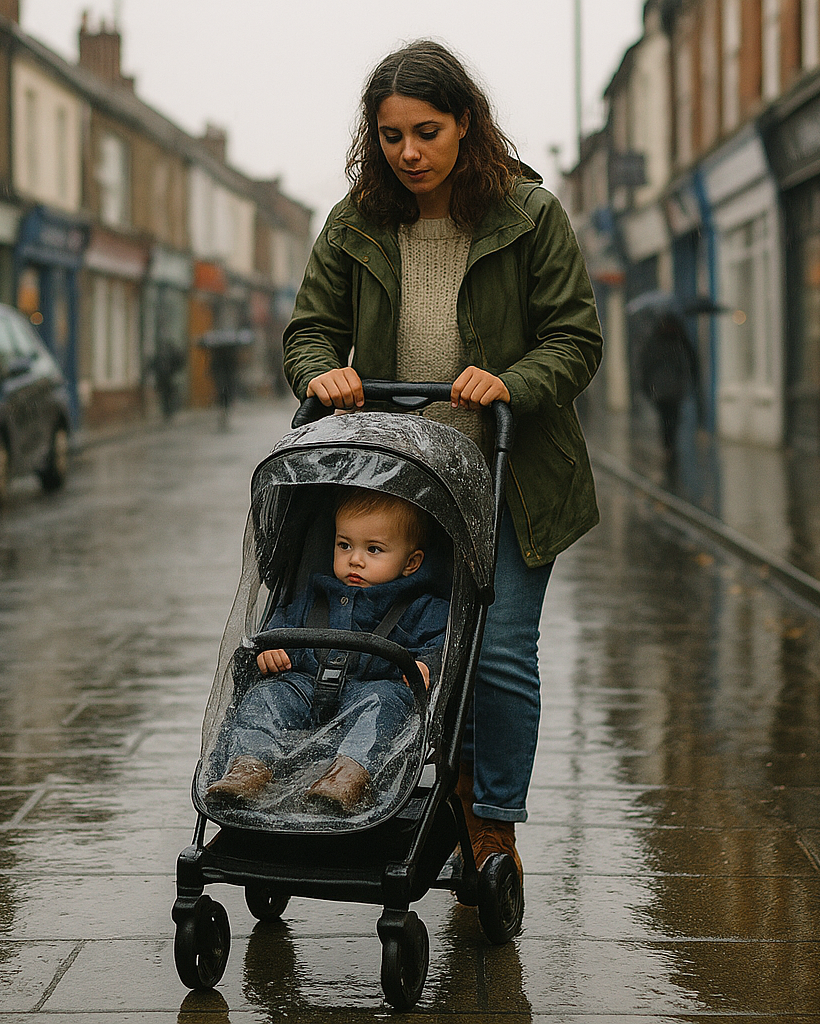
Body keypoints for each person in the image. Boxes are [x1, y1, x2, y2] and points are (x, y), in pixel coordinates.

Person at [281, 41, 603, 879]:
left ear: (467, 122)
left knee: (494, 651)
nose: (410, 153)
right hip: (397, 483)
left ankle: (489, 820)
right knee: (392, 643)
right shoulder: (352, 223)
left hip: (512, 478)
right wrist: (321, 368)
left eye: (427, 130)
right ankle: (385, 780)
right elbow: (310, 327)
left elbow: (576, 339)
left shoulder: (531, 216)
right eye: (391, 136)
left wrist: (511, 381)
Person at [207, 488, 449, 814]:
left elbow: (440, 644)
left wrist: (427, 665)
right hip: (305, 684)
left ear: (411, 563)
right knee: (265, 697)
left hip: (374, 691)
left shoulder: (423, 607)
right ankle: (249, 766)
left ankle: (349, 775)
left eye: (373, 549)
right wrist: (273, 647)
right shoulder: (317, 593)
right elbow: (281, 623)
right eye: (344, 545)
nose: (355, 559)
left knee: (387, 704)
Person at [630, 306, 701, 459]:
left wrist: (646, 386)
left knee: (665, 417)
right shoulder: (680, 339)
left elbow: (646, 364)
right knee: (673, 416)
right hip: (675, 387)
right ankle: (671, 444)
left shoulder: (655, 339)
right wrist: (691, 380)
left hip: (660, 388)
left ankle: (668, 445)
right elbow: (691, 361)